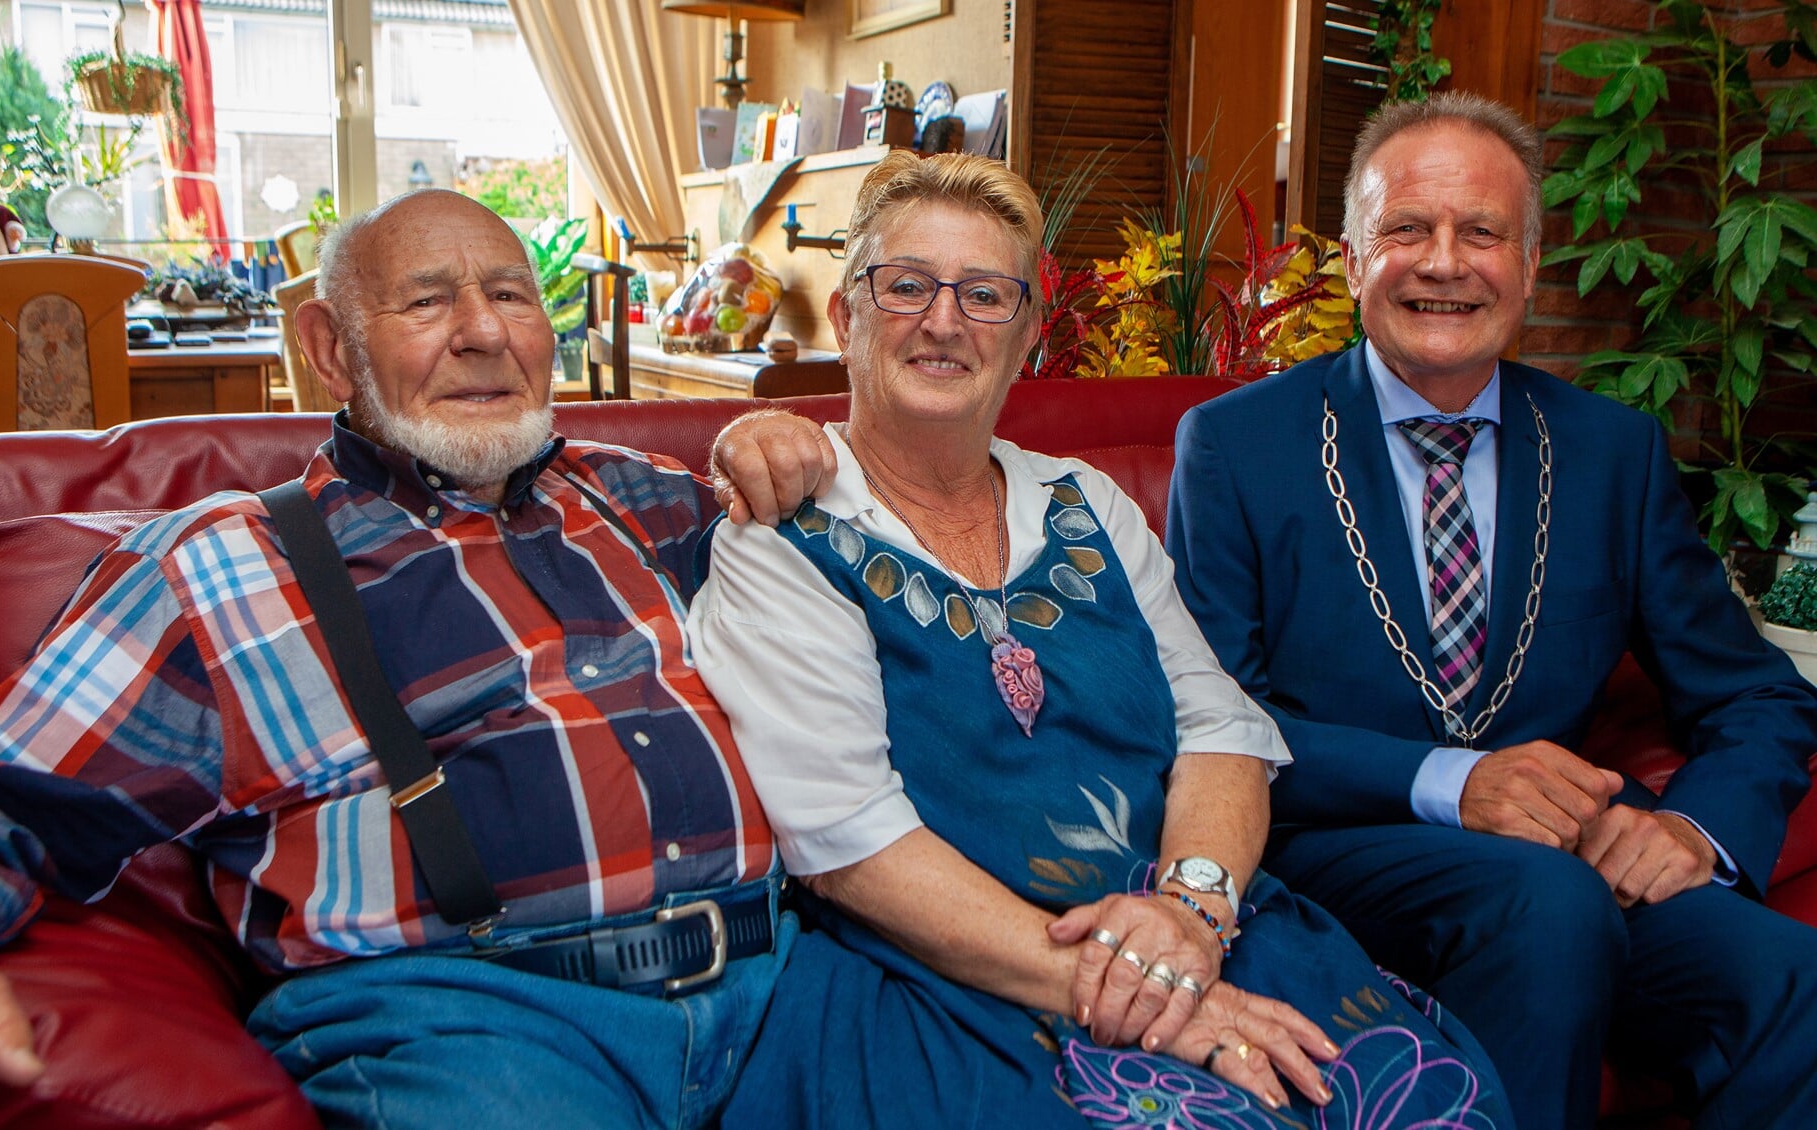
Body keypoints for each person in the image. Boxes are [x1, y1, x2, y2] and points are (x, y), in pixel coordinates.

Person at [0, 189, 799, 1130]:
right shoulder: (217, 566)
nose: (484, 332)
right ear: (331, 350)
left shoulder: (644, 498)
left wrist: (775, 447)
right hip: (476, 1028)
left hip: (788, 982)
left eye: (512, 295)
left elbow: (882, 591)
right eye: (427, 302)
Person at [691, 150, 1513, 1129]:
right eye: (906, 286)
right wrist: (1150, 991)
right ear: (846, 316)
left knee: (1434, 1101)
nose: (944, 321)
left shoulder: (1086, 503)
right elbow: (848, 843)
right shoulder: (781, 531)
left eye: (986, 295)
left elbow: (1220, 729)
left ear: (1030, 332)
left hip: (1179, 923)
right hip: (948, 975)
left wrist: (1196, 915)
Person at [1165, 91, 1817, 1128]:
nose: (1444, 262)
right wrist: (1454, 781)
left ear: (1530, 262)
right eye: (1407, 229)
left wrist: (1694, 828)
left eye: (1482, 232)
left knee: (1793, 975)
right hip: (1335, 858)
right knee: (1547, 905)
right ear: (1350, 257)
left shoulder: (1613, 451)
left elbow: (1756, 694)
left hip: (1561, 872)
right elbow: (1213, 720)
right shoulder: (1235, 445)